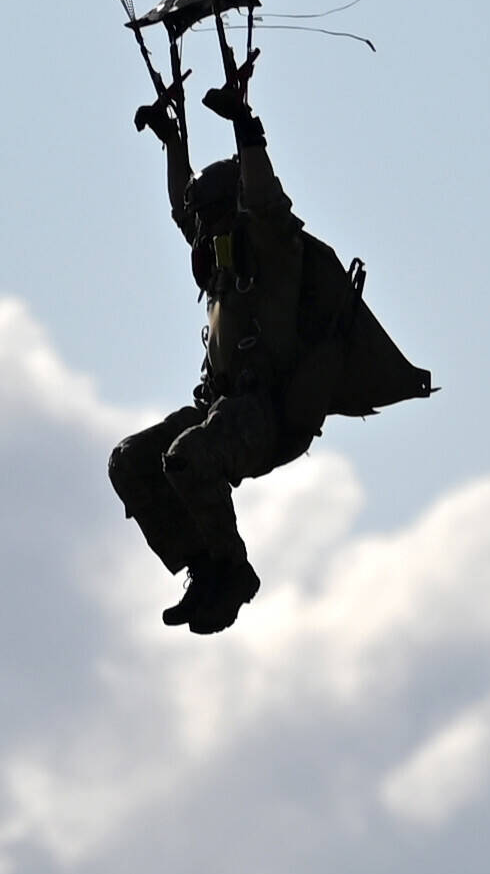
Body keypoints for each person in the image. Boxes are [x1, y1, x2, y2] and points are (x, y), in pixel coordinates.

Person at [105, 58, 433, 634]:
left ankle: (233, 574)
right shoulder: (221, 258)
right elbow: (184, 203)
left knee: (188, 459)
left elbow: (263, 196)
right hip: (222, 408)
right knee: (131, 461)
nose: (200, 231)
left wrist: (245, 127)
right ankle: (204, 567)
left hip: (268, 414)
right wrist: (171, 141)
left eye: (210, 219)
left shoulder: (274, 249)